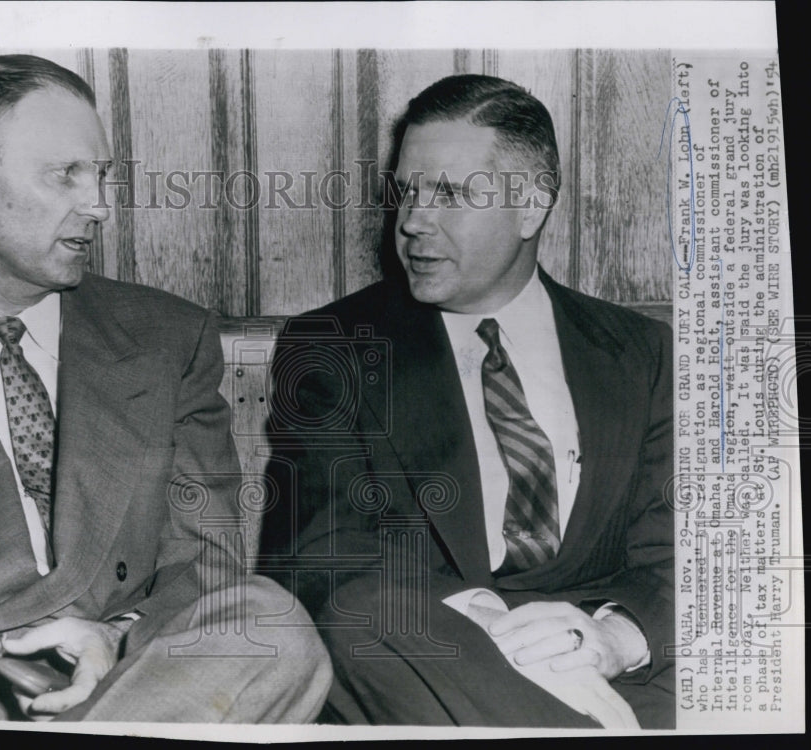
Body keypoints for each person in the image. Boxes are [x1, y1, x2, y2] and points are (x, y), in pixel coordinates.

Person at [0, 54, 331, 722]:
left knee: (271, 624)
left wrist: (116, 634)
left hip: (132, 680)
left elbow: (202, 565)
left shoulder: (167, 337)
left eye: (101, 176)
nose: (99, 205)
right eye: (66, 173)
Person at [259, 74, 674, 728]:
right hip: (425, 667)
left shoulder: (644, 355)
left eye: (449, 194)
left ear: (531, 206)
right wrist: (500, 639)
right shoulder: (335, 347)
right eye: (406, 192)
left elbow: (677, 553)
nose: (413, 222)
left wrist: (614, 639)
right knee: (363, 612)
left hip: (614, 674)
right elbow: (316, 555)